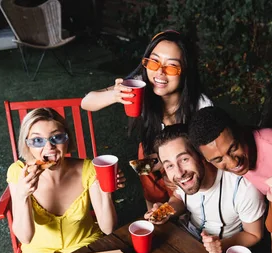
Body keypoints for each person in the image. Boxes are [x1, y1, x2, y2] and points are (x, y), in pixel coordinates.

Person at [81, 30, 212, 208]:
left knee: (183, 205)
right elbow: (87, 102)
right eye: (154, 62)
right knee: (143, 163)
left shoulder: (201, 106)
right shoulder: (139, 87)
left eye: (172, 66)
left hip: (187, 163)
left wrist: (171, 169)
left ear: (185, 71)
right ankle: (153, 210)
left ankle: (183, 212)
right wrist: (115, 94)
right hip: (155, 155)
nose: (160, 72)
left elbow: (211, 156)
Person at [7, 108, 122, 253]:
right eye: (37, 140)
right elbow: (25, 238)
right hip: (40, 251)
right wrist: (22, 195)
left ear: (67, 140)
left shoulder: (89, 169)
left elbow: (108, 228)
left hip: (84, 242)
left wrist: (107, 192)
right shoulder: (19, 173)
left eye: (57, 137)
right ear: (27, 145)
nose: (49, 147)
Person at [144, 124, 266, 253]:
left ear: (201, 156)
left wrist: (222, 245)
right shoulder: (184, 178)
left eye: (184, 159)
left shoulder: (244, 189)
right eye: (170, 165)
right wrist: (164, 211)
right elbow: (179, 198)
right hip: (184, 236)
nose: (178, 173)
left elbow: (254, 235)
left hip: (221, 250)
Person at [188, 106, 272, 195]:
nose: (233, 163)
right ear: (207, 160)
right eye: (218, 159)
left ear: (240, 131)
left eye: (233, 148)